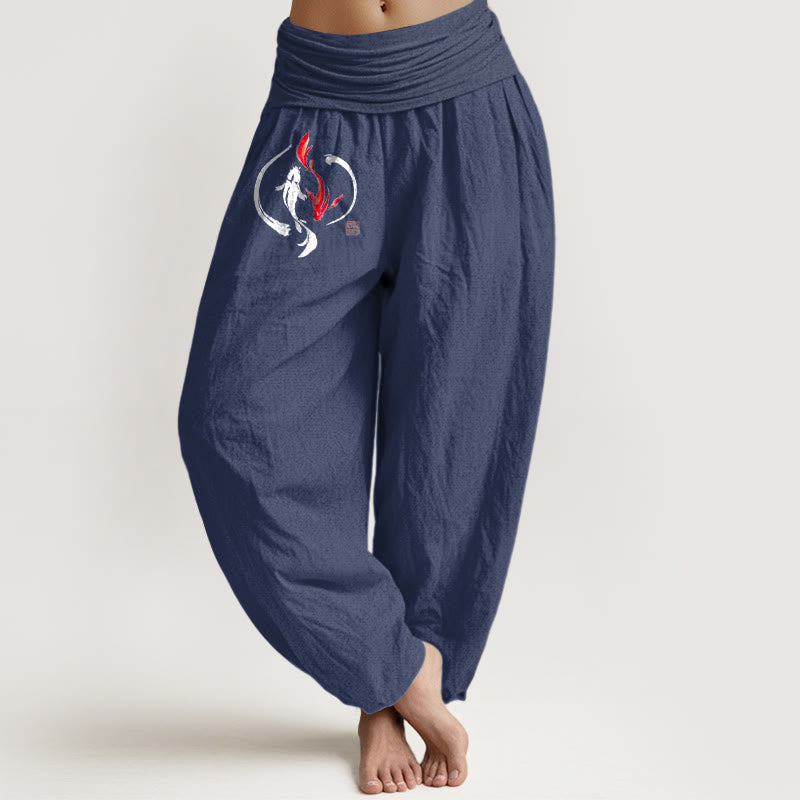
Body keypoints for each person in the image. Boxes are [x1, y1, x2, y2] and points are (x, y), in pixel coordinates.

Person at [177, 0, 555, 792]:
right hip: (320, 104)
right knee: (230, 416)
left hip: (465, 98)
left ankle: (388, 693)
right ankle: (389, 661)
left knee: (451, 430)